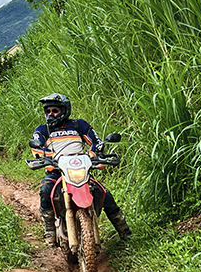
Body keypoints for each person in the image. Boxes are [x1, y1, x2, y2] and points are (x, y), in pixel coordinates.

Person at [30, 93, 132, 246]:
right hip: (57, 171)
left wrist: (93, 155)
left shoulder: (79, 125)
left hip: (80, 168)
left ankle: (125, 233)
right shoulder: (43, 129)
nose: (51, 114)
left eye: (55, 111)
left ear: (64, 110)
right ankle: (49, 229)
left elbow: (96, 142)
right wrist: (49, 156)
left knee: (104, 194)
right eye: (48, 111)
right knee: (45, 190)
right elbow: (36, 145)